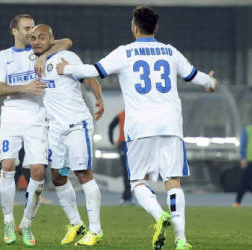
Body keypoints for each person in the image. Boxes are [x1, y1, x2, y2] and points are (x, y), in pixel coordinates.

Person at [56, 6, 217, 250]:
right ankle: (181, 239)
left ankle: (158, 215)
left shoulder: (125, 53)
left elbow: (93, 71)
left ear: (134, 26)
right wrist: (212, 82)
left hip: (140, 127)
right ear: (157, 27)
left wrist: (65, 69)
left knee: (138, 182)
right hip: (170, 125)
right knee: (173, 181)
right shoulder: (169, 52)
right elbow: (196, 76)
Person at [0, 14, 72, 246]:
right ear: (14, 31)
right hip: (11, 117)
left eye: (34, 29)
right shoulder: (3, 56)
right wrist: (24, 87)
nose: (31, 33)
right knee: (8, 166)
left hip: (38, 119)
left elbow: (67, 42)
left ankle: (26, 224)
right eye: (27, 29)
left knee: (37, 172)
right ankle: (8, 220)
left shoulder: (38, 51)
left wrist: (45, 54)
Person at [30, 24, 104, 246]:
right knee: (58, 176)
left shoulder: (66, 56)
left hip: (76, 126)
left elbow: (88, 76)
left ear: (51, 40)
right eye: (33, 38)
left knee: (83, 174)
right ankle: (76, 223)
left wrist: (99, 98)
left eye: (42, 38)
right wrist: (42, 56)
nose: (36, 41)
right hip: (56, 130)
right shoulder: (33, 60)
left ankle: (96, 230)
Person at [108, 110, 133, 204]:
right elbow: (111, 126)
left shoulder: (133, 113)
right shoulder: (122, 114)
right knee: (127, 171)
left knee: (129, 172)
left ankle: (126, 196)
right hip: (124, 144)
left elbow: (111, 126)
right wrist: (111, 140)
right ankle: (128, 196)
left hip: (132, 145)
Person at [232, 124, 252, 207]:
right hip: (249, 160)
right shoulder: (248, 129)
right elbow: (243, 144)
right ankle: (237, 202)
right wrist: (243, 158)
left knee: (245, 182)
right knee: (244, 182)